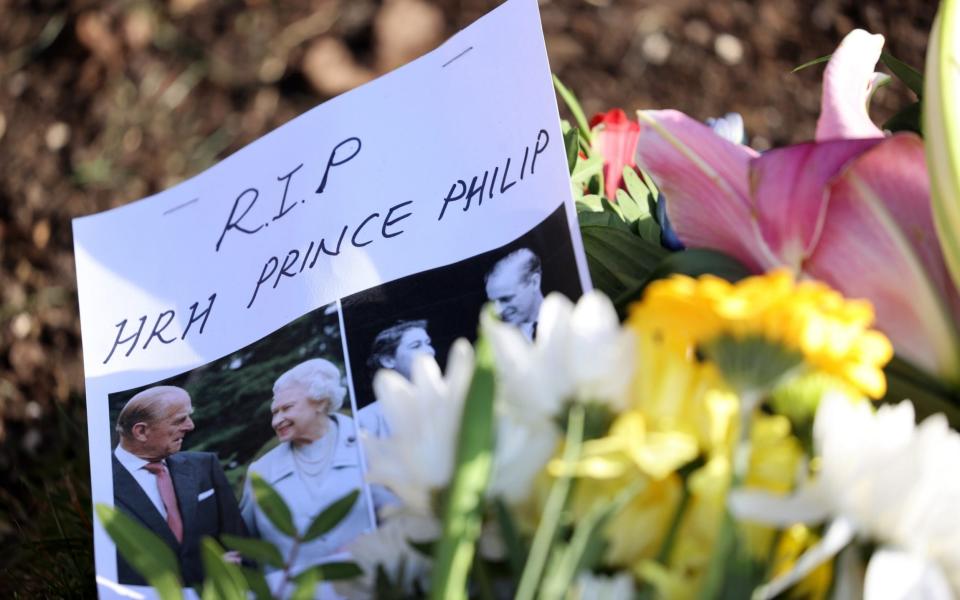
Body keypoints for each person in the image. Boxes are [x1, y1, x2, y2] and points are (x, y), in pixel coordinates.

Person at [240, 359, 373, 581]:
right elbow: (245, 544)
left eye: (286, 408)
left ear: (320, 402)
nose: (276, 420)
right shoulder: (261, 471)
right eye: (274, 412)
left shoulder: (370, 442)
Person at [112, 385, 247, 586]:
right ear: (141, 431)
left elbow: (242, 545)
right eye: (180, 420)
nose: (190, 426)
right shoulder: (100, 486)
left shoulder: (205, 466)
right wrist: (207, 573)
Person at [357, 319, 435, 438]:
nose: (430, 351)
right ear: (388, 360)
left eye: (428, 343)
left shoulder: (451, 397)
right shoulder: (367, 419)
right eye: (416, 346)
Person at [484, 248, 544, 340]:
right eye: (493, 302)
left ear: (535, 282)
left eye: (506, 299)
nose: (498, 311)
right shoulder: (497, 343)